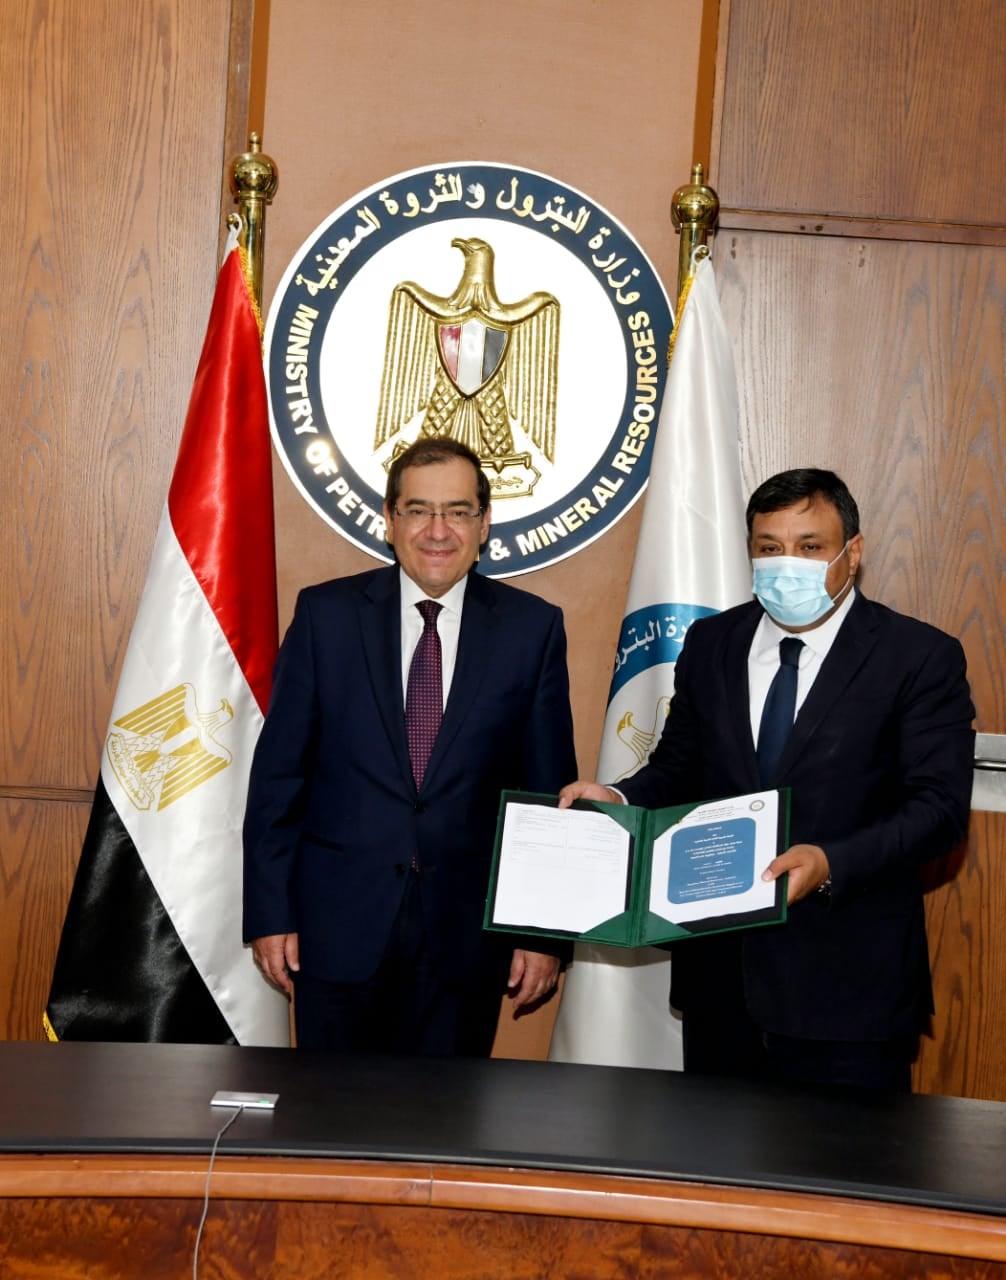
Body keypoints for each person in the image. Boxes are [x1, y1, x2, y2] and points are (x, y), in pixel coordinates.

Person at [560, 468, 974, 1090]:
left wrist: (829, 862)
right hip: (720, 981)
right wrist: (617, 796)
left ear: (852, 552)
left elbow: (938, 812)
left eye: (810, 547)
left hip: (849, 992)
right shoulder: (712, 642)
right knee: (715, 1152)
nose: (788, 565)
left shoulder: (917, 656)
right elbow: (678, 767)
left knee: (843, 1157)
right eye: (770, 547)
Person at [244, 437, 576, 1055]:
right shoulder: (325, 617)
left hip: (467, 940)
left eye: (458, 511)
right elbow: (278, 781)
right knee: (332, 1108)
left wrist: (543, 935)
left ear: (484, 524)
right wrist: (271, 914)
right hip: (336, 931)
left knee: (448, 1115)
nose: (438, 530)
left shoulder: (532, 629)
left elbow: (548, 793)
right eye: (418, 510)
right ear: (390, 520)